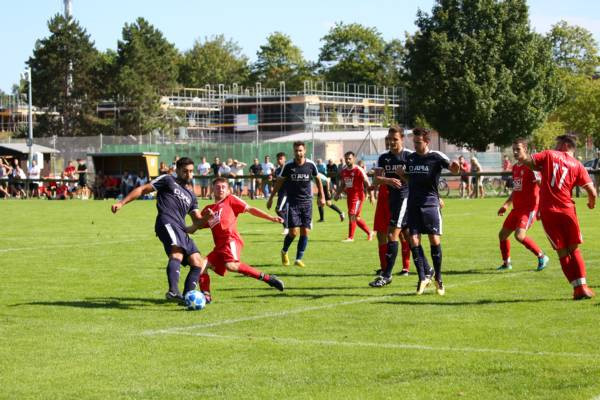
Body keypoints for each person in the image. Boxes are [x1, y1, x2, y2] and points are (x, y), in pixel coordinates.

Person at [111, 157, 211, 302]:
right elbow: (143, 189)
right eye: (185, 171)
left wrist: (206, 218)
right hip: (167, 222)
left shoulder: (191, 196)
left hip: (181, 229)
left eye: (191, 171)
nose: (189, 175)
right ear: (177, 170)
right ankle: (173, 292)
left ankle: (188, 297)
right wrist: (121, 203)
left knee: (197, 262)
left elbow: (196, 223)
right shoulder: (168, 180)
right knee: (177, 253)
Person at [516, 133, 597, 300]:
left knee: (562, 252)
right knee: (574, 249)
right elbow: (592, 191)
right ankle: (583, 287)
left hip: (548, 212)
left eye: (558, 143)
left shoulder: (548, 155)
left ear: (565, 145)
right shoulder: (578, 165)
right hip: (567, 210)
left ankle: (576, 289)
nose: (555, 146)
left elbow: (529, 161)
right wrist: (591, 202)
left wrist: (521, 155)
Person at [186, 177, 285, 302]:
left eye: (223, 187)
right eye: (217, 187)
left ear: (228, 190)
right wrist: (179, 228)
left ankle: (269, 279)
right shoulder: (208, 209)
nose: (220, 189)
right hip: (219, 247)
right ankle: (206, 295)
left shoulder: (230, 200)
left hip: (230, 240)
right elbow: (196, 227)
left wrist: (271, 218)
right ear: (213, 190)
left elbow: (250, 209)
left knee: (231, 265)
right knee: (201, 265)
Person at [397, 127, 460, 295]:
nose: (416, 145)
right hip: (413, 204)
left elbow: (454, 170)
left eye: (418, 142)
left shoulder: (436, 157)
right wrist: (402, 175)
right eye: (414, 142)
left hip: (431, 203)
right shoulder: (410, 159)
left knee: (434, 240)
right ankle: (422, 277)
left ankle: (438, 279)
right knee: (414, 239)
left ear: (426, 142)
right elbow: (410, 178)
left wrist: (455, 168)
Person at [267, 141, 325, 267]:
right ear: (293, 152)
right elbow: (279, 183)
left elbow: (318, 180)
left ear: (304, 151)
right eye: (296, 151)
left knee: (305, 231)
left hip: (307, 202)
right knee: (293, 232)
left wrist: (322, 196)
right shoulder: (288, 166)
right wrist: (271, 198)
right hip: (293, 202)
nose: (298, 153)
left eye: (300, 150)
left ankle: (298, 258)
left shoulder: (311, 164)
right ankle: (284, 251)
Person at [369, 126, 414, 287]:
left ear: (402, 139)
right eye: (389, 139)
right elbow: (375, 180)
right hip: (391, 201)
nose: (391, 142)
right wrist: (387, 180)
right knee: (410, 238)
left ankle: (387, 274)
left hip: (406, 199)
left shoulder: (409, 156)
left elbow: (417, 180)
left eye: (395, 139)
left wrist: (404, 176)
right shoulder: (384, 158)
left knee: (392, 235)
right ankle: (426, 270)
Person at [496, 139, 549, 272]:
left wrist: (541, 209)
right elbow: (517, 189)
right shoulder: (515, 167)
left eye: (518, 149)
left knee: (519, 236)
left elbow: (543, 188)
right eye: (513, 149)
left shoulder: (532, 166)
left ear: (525, 149)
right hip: (517, 209)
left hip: (529, 209)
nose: (515, 152)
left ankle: (542, 256)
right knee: (502, 235)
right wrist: (506, 205)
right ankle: (506, 263)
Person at [335, 151, 374, 242]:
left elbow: (367, 183)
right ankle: (369, 232)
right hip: (350, 197)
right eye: (346, 159)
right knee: (356, 217)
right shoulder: (344, 171)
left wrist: (371, 195)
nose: (348, 160)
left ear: (354, 159)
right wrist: (337, 193)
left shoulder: (358, 170)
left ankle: (351, 237)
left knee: (352, 214)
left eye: (350, 159)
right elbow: (343, 184)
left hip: (358, 197)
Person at [273, 152, 289, 234]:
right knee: (284, 210)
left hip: (286, 192)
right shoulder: (277, 170)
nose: (279, 160)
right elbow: (277, 182)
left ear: (284, 159)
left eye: (281, 159)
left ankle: (286, 227)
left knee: (278, 209)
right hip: (281, 192)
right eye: (278, 159)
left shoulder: (288, 168)